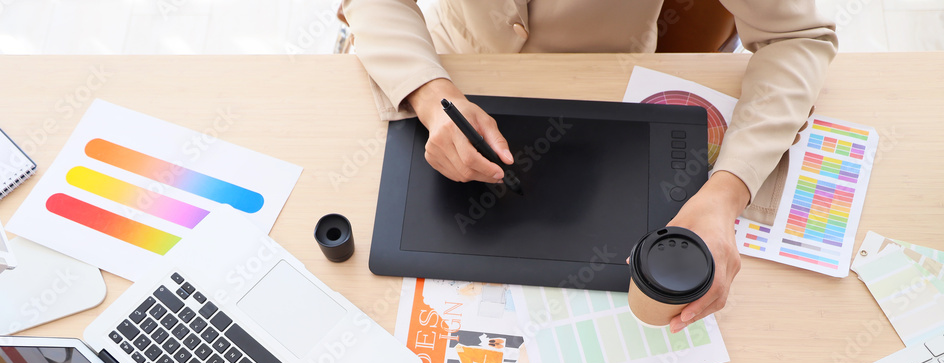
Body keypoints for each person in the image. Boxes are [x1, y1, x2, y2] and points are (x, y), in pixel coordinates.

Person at [341, 0, 838, 333]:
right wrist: (430, 93)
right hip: (453, 70)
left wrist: (726, 192)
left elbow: (798, 36)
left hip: (608, 101)